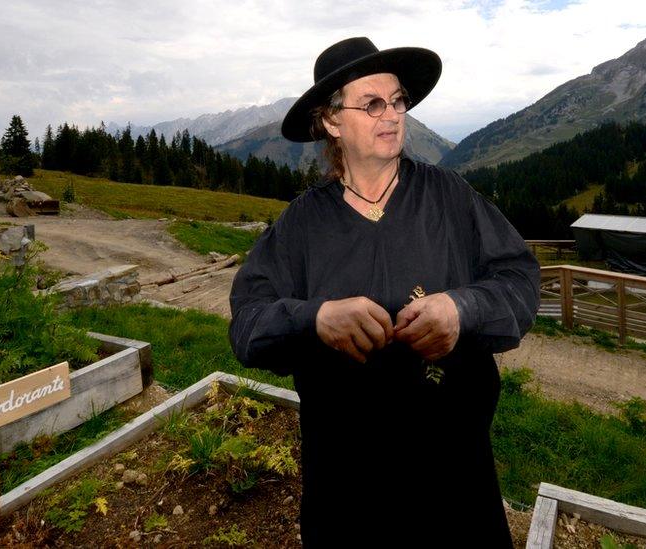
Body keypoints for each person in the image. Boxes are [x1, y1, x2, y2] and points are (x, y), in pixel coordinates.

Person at [229, 37, 540, 547]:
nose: (392, 115)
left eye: (397, 101)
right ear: (331, 121)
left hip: (455, 477)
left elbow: (520, 280)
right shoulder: (302, 225)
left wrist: (462, 309)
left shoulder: (450, 197)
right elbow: (247, 324)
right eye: (372, 104)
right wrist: (315, 320)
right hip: (348, 488)